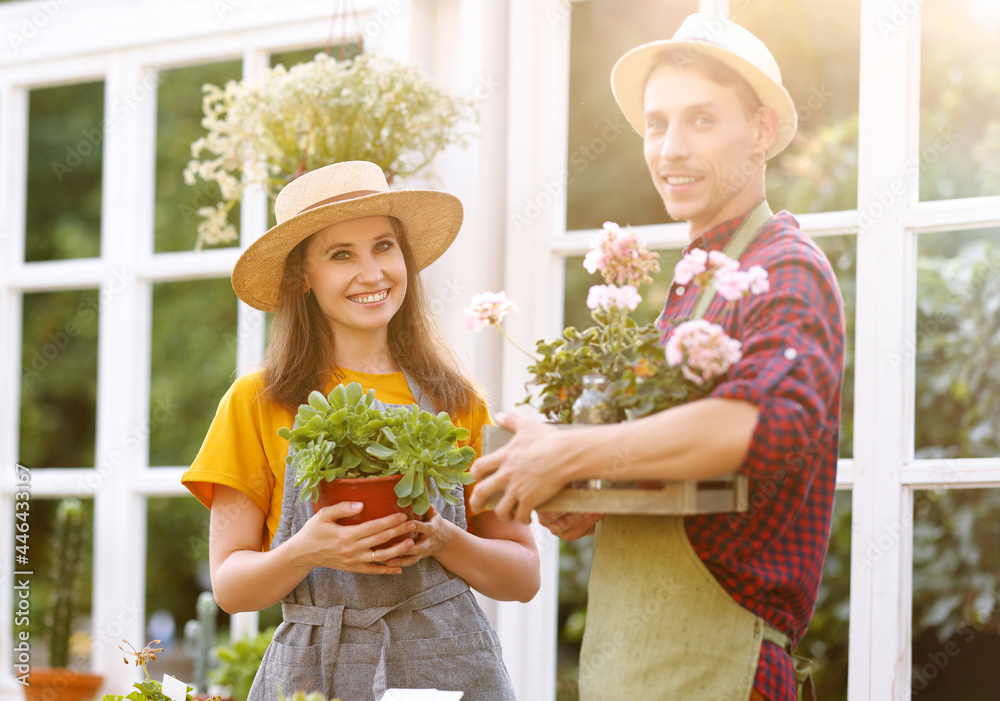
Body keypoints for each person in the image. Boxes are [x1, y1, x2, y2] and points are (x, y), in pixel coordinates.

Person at [469, 13, 844, 701]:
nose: (671, 148)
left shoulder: (786, 266)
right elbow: (687, 468)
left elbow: (759, 423)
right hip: (634, 671)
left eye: (701, 120)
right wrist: (598, 496)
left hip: (720, 669)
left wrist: (568, 453)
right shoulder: (695, 284)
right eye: (657, 124)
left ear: (760, 130)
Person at [182, 160, 539, 701]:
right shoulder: (256, 401)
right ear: (303, 275)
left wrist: (443, 538)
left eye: (384, 246)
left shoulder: (461, 400)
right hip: (313, 670)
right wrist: (309, 550)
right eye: (340, 254)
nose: (372, 273)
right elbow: (231, 587)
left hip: (450, 666)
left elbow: (524, 574)